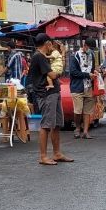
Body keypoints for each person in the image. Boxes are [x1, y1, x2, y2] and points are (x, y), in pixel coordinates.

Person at [28, 35, 72, 165]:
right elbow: (52, 74)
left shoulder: (43, 56)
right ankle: (43, 156)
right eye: (50, 44)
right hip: (46, 94)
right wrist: (60, 68)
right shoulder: (39, 56)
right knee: (46, 125)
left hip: (54, 92)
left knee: (57, 124)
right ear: (47, 43)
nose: (51, 47)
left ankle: (57, 153)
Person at [69, 37, 96, 139]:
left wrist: (94, 73)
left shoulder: (92, 55)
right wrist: (88, 75)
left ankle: (85, 131)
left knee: (87, 111)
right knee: (78, 110)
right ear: (84, 46)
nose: (90, 50)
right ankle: (77, 128)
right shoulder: (75, 56)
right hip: (77, 87)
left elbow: (93, 68)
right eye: (89, 48)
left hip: (88, 86)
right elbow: (73, 72)